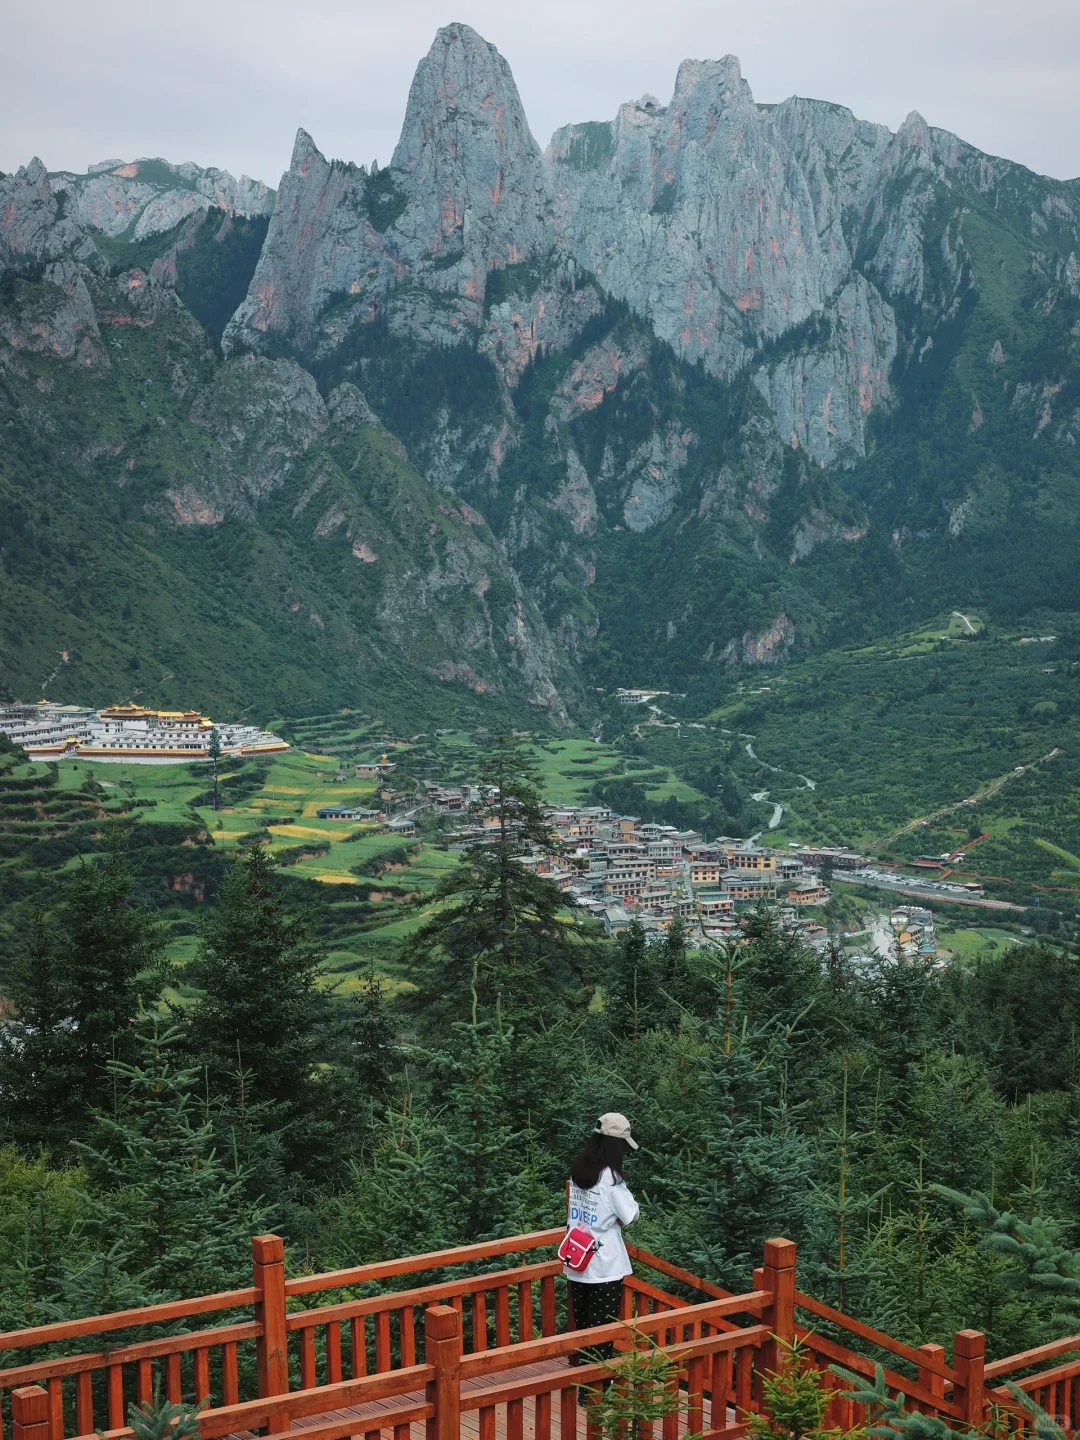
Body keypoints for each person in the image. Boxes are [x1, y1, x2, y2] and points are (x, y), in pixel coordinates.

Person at [564, 1112, 640, 1372]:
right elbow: (630, 1215)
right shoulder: (611, 1177)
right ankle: (596, 1388)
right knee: (603, 1329)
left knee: (583, 1326)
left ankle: (583, 1382)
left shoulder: (579, 1169)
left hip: (577, 1258)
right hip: (604, 1263)